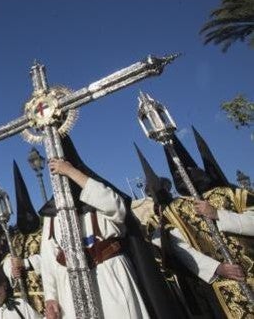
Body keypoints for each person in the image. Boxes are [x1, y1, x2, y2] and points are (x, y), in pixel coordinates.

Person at [152, 131, 254, 317]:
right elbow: (178, 247)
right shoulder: (174, 211)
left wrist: (219, 215)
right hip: (222, 285)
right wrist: (216, 268)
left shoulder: (231, 193)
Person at [40, 158, 149, 319]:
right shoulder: (52, 214)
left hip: (110, 273)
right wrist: (51, 297)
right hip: (71, 285)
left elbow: (116, 207)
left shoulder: (100, 197)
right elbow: (48, 259)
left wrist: (72, 172)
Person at [2, 161, 44, 315]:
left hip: (45, 295)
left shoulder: (44, 234)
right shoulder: (15, 239)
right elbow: (7, 259)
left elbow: (53, 258)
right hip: (22, 298)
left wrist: (25, 263)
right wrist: (11, 269)